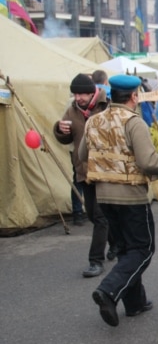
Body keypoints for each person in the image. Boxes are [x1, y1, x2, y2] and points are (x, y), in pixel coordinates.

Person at [78, 75, 158, 327]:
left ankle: (135, 304)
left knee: (125, 249)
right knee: (143, 250)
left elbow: (81, 154)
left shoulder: (93, 120)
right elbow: (149, 162)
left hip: (103, 196)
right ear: (134, 96)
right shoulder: (134, 122)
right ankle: (109, 291)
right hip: (130, 196)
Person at [53, 73, 112, 277]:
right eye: (75, 94)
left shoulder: (107, 106)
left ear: (92, 93)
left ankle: (96, 260)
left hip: (105, 170)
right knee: (93, 215)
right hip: (84, 170)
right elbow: (65, 138)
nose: (78, 98)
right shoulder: (71, 111)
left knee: (100, 215)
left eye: (81, 94)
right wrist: (60, 130)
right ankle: (115, 243)